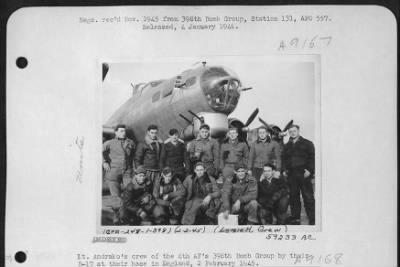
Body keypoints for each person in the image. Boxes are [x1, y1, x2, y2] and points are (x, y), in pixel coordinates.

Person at [282, 125, 315, 225]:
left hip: (304, 174)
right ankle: (295, 218)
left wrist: (309, 170)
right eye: (290, 131)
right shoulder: (287, 145)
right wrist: (284, 170)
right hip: (291, 175)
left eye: (294, 131)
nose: (292, 133)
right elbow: (284, 159)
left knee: (308, 197)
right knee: (294, 197)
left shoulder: (308, 143)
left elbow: (312, 158)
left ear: (299, 131)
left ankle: (312, 218)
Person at [102, 124, 135, 224]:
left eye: (124, 131)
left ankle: (127, 216)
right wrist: (104, 162)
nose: (123, 133)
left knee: (129, 193)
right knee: (115, 196)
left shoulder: (131, 143)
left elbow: (132, 155)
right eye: (120, 131)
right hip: (114, 171)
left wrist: (132, 168)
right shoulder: (109, 143)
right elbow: (100, 152)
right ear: (115, 132)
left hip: (127, 171)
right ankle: (116, 216)